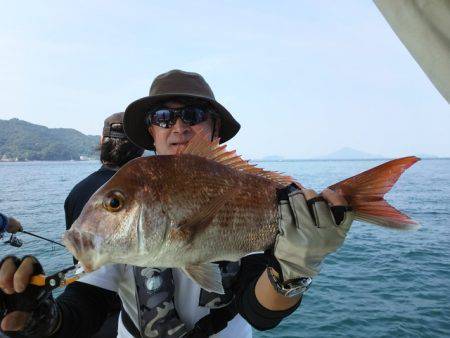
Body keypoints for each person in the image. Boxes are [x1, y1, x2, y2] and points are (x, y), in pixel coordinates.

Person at [0, 70, 353, 337]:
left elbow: (260, 312)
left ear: (216, 130)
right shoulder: (129, 192)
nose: (178, 127)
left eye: (195, 114)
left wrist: (295, 269)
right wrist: (44, 318)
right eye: (163, 118)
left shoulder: (251, 193)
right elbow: (88, 304)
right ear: (152, 132)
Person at [64, 112, 144, 337]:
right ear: (140, 149)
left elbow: (80, 256)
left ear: (102, 142)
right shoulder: (143, 191)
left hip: (89, 307)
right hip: (126, 310)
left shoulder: (77, 192)